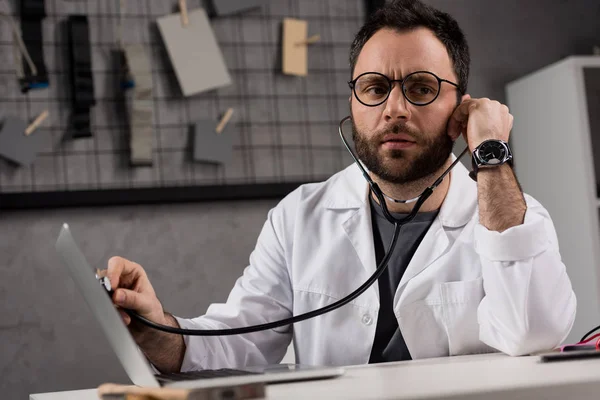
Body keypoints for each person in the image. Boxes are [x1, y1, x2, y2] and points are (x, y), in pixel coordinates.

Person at [106, 0, 576, 373]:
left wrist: (490, 148)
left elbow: (533, 335)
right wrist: (156, 327)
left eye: (420, 87)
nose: (394, 108)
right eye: (374, 88)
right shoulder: (298, 217)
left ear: (462, 109)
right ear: (354, 103)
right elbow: (241, 339)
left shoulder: (514, 216)